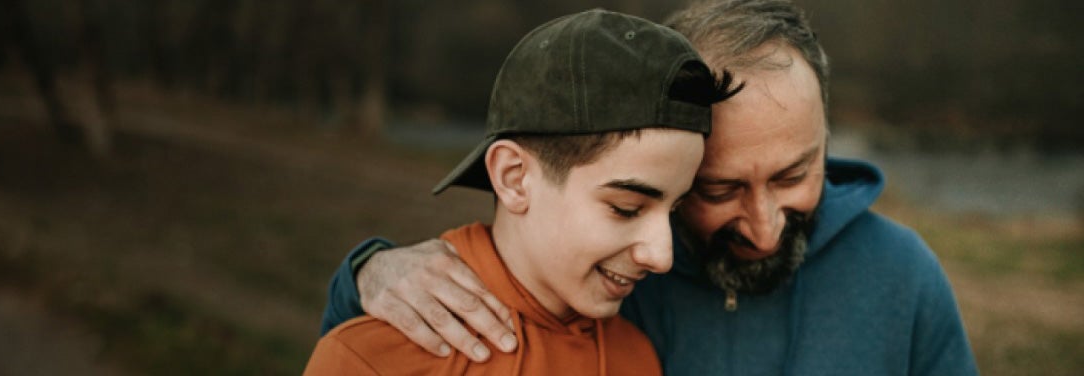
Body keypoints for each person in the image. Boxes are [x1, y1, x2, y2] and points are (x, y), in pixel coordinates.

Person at [319, 1, 980, 375]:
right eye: (720, 190)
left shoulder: (904, 278)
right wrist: (366, 273)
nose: (765, 224)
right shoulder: (616, 283)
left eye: (794, 174)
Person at [304, 9, 741, 375]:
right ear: (514, 177)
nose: (662, 256)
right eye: (626, 208)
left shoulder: (638, 361)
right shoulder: (372, 358)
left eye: (674, 210)